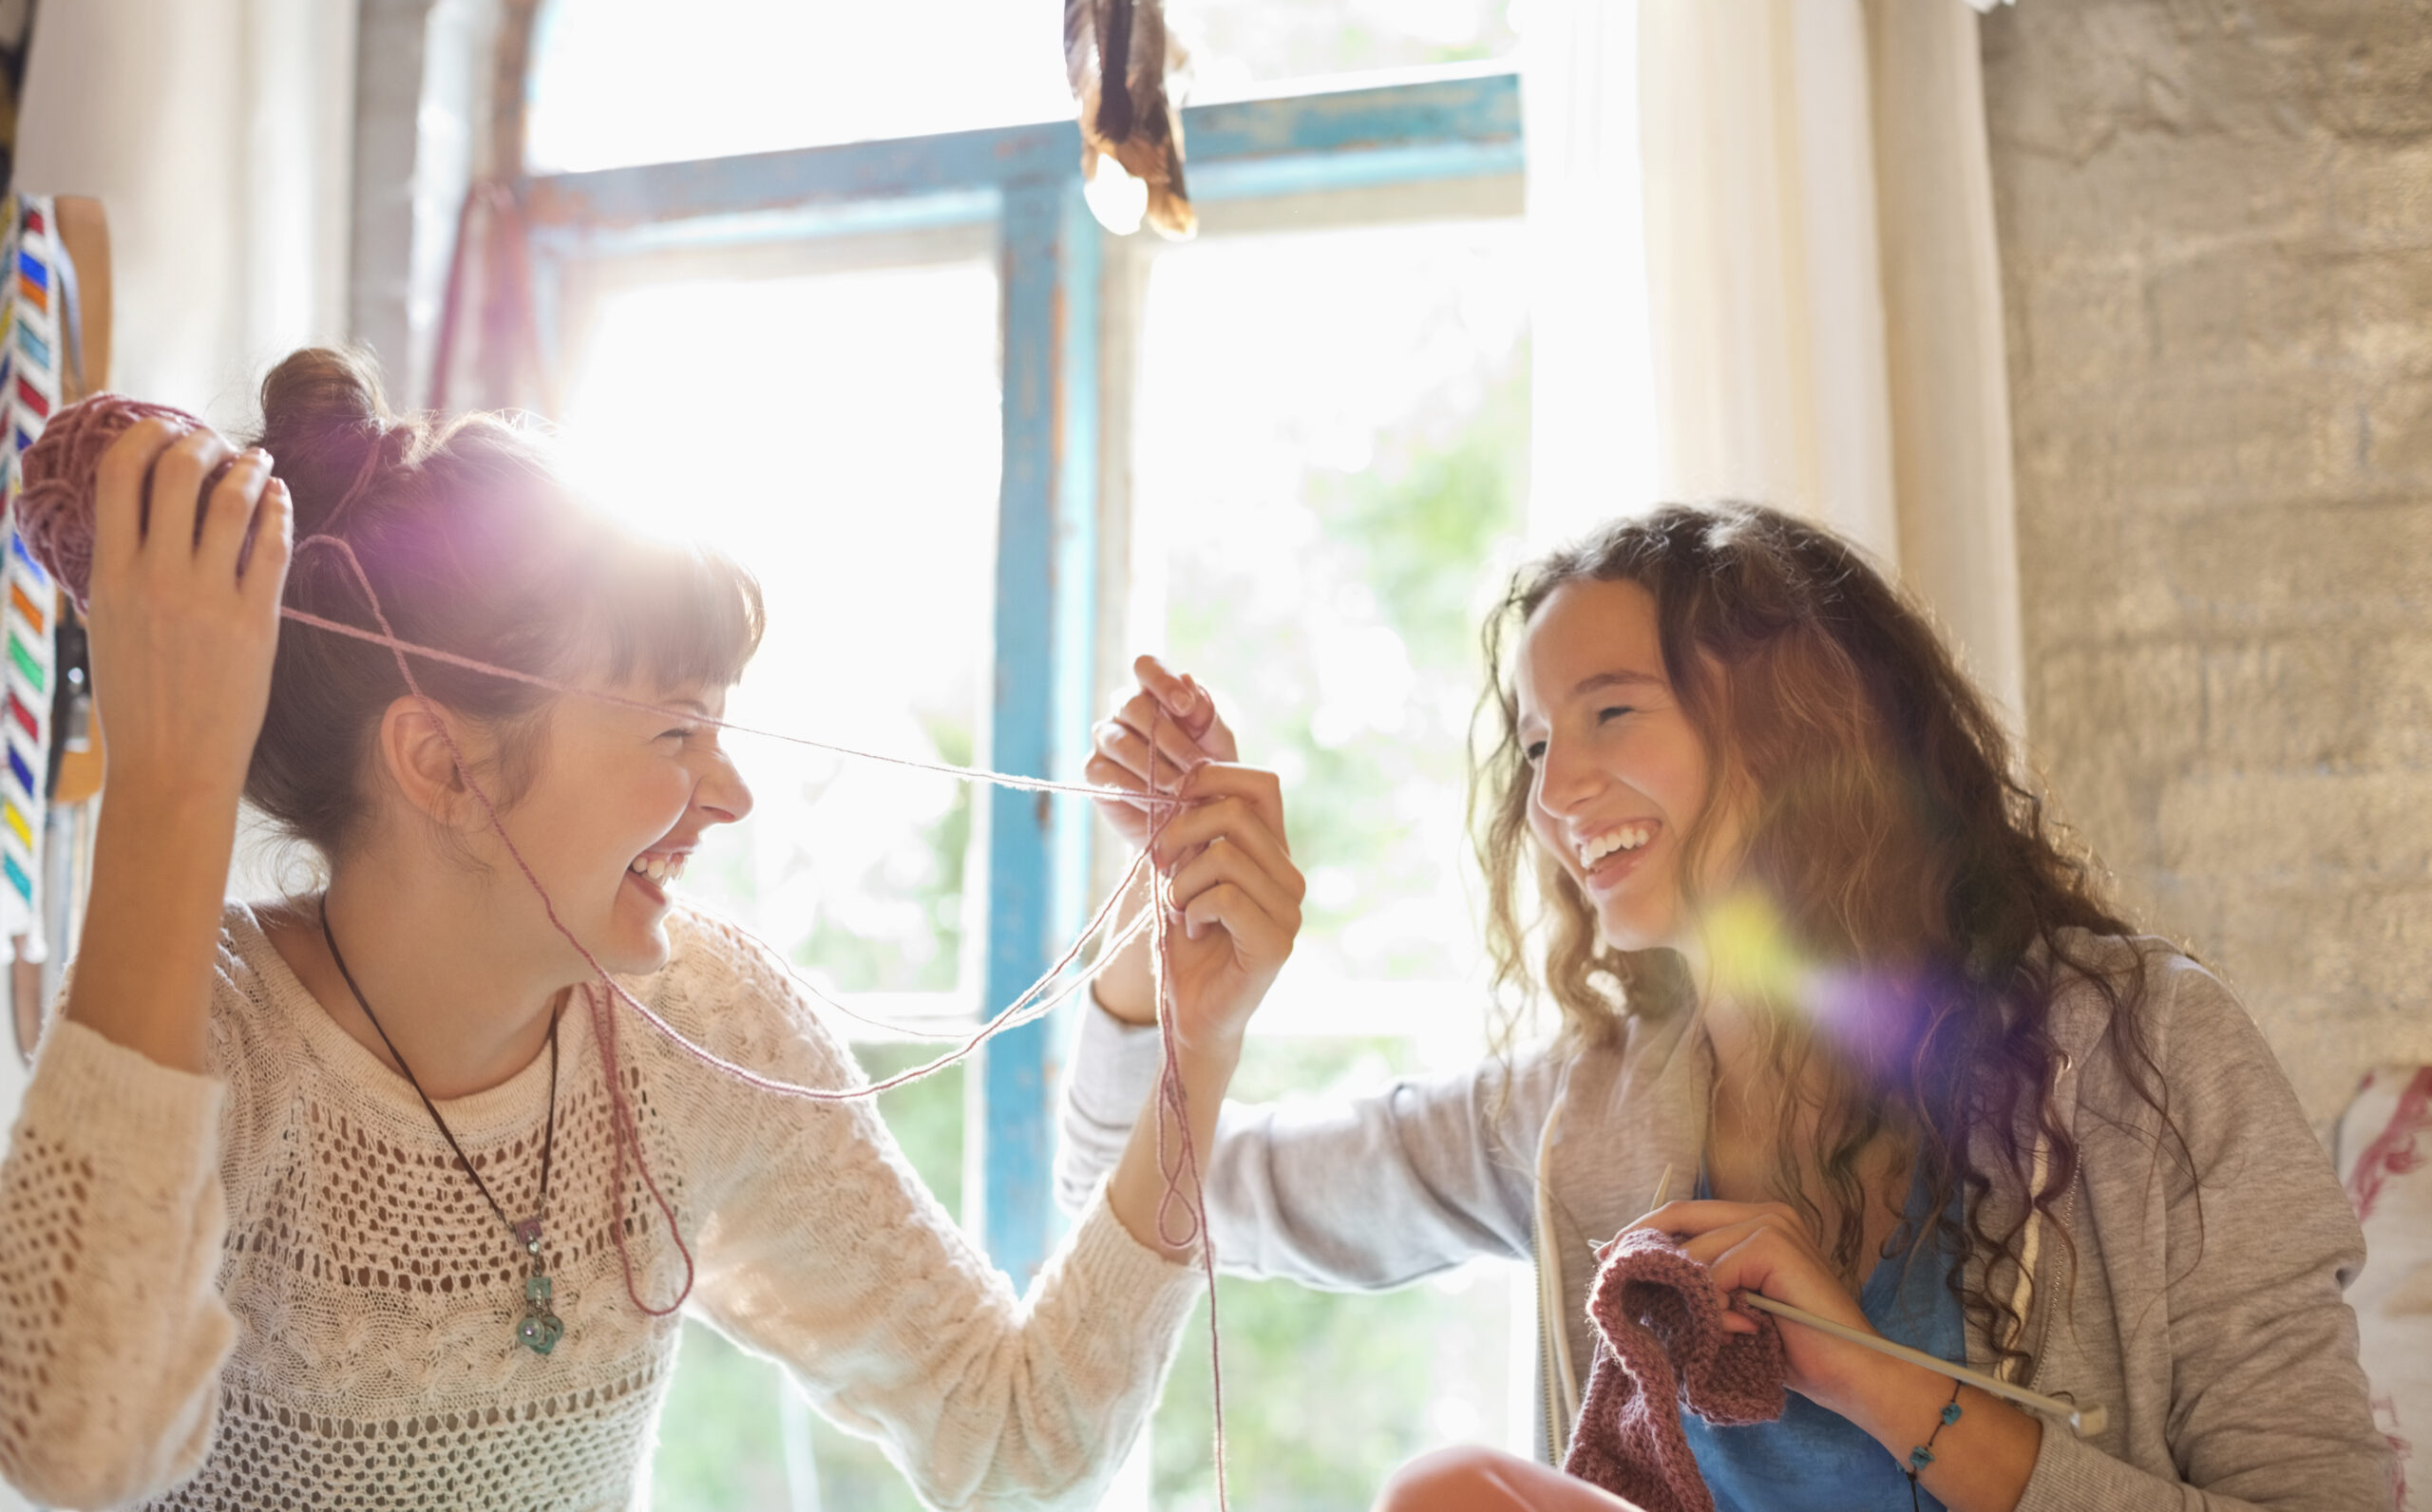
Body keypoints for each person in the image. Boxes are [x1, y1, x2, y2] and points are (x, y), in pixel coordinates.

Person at [0, 348, 1305, 1510]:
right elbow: (74, 1449)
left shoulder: (701, 1028)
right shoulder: (214, 1032)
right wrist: (168, 784)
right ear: (442, 766)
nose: (729, 795)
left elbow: (1022, 1441)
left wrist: (1200, 1045)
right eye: (676, 732)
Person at [1061, 502, 2390, 1512]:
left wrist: (1870, 1374)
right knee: (1454, 1492)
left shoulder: (2146, 1050)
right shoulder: (1586, 1105)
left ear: (1800, 721)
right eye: (1532, 743)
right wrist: (1174, 978)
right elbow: (1141, 1210)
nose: (1552, 789)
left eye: (1610, 712)